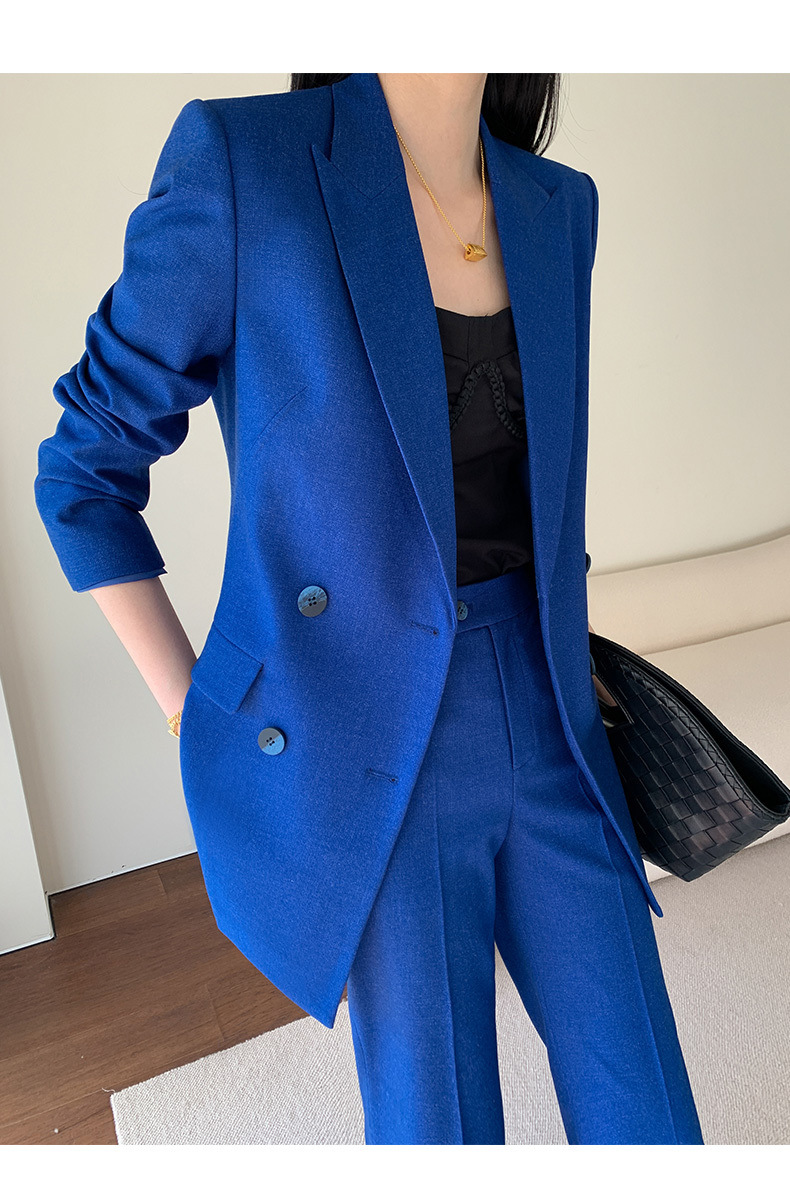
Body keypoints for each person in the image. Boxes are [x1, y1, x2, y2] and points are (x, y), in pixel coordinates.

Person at [34, 72, 704, 1145]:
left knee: (648, 1103)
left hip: (552, 711)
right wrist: (190, 709)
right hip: (371, 729)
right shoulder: (248, 164)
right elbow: (83, 472)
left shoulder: (559, 205)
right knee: (436, 1124)